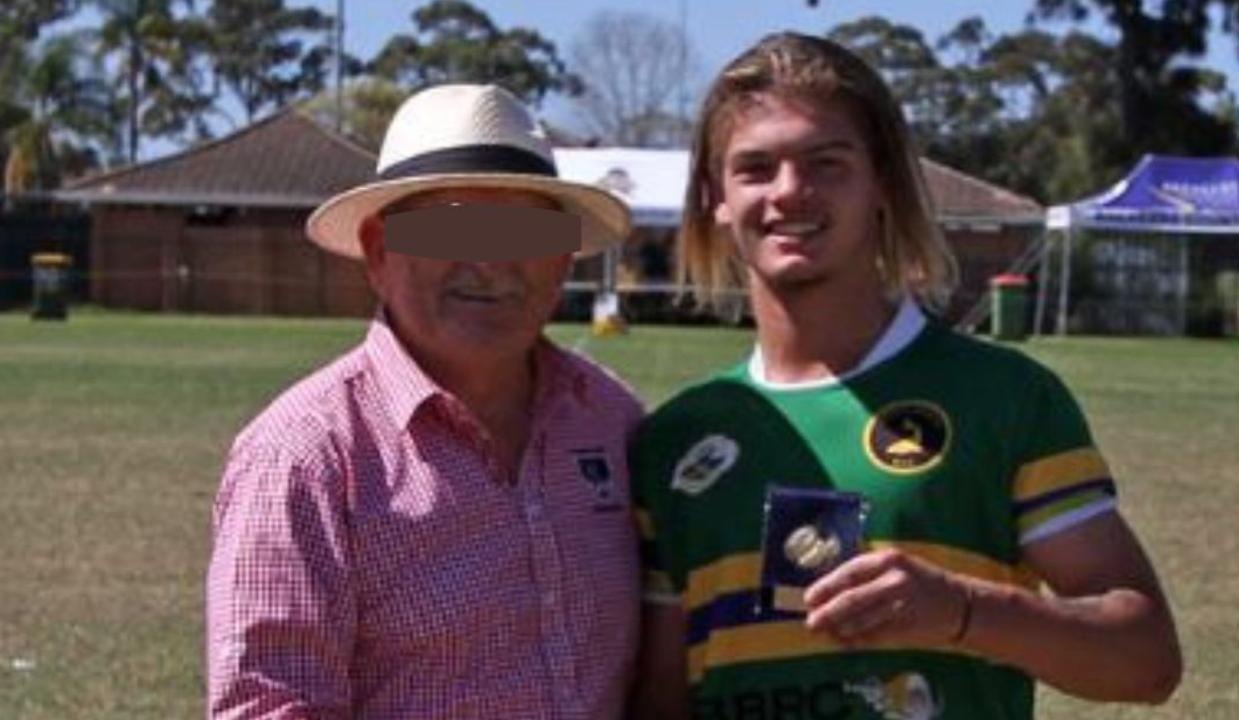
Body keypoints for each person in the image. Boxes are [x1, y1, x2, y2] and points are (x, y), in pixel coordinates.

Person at [630, 33, 1182, 719]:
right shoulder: (675, 438)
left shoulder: (1003, 398)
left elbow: (1148, 659)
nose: (790, 192)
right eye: (756, 168)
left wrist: (962, 611)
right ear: (716, 196)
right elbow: (660, 700)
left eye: (826, 164)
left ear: (883, 182)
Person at [206, 84, 644, 719]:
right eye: (453, 227)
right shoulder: (305, 458)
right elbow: (271, 707)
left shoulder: (613, 422)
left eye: (523, 232)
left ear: (563, 257)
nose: (490, 264)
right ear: (379, 251)